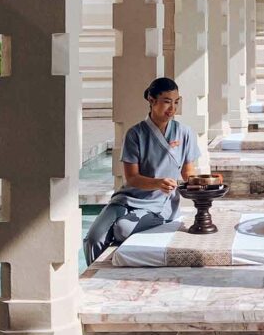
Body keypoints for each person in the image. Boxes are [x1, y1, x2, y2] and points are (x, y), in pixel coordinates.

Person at [83, 77, 200, 266]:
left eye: (176, 102)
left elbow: (188, 173)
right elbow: (132, 178)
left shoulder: (185, 133)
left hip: (160, 202)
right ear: (152, 101)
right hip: (126, 199)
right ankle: (94, 275)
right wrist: (157, 183)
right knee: (93, 238)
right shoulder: (135, 134)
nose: (172, 108)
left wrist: (201, 187)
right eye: (167, 102)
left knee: (122, 229)